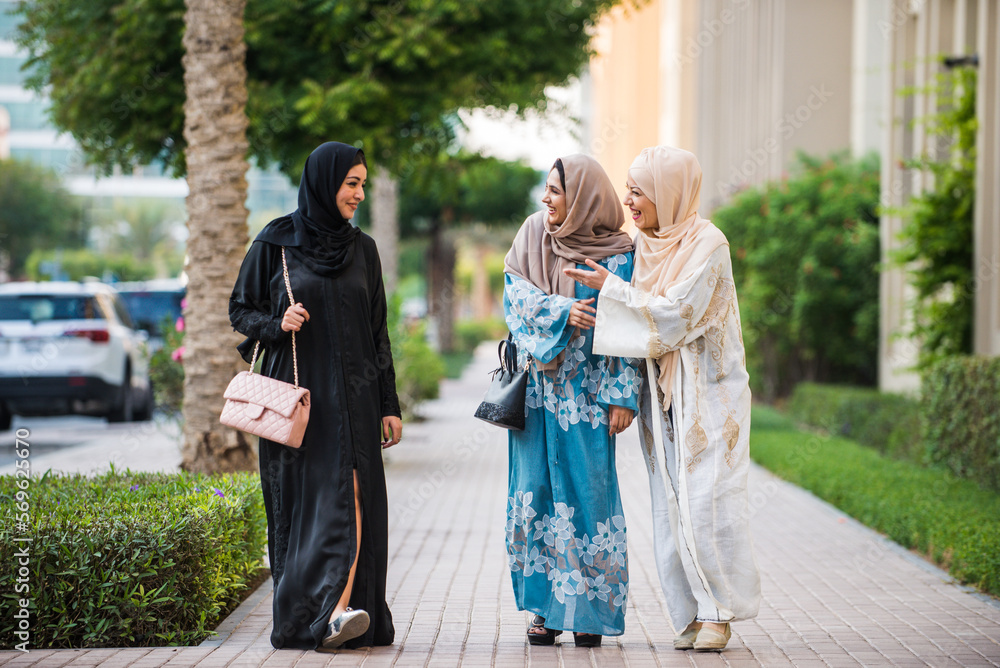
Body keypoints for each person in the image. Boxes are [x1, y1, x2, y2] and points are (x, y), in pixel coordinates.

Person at [565, 146, 761, 652]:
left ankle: (721, 611)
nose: (629, 199)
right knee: (669, 501)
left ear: (669, 192)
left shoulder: (708, 244)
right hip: (663, 394)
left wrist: (613, 288)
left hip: (709, 394)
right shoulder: (646, 246)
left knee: (707, 499)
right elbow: (639, 327)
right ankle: (691, 612)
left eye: (639, 190)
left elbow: (676, 317)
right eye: (628, 189)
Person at [229, 141, 403, 651]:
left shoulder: (363, 249)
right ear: (325, 183)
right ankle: (316, 614)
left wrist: (389, 404)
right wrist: (277, 323)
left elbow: (378, 332)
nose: (359, 193)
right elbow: (241, 310)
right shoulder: (275, 242)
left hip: (356, 398)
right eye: (352, 183)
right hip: (300, 402)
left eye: (363, 183)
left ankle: (339, 610)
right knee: (307, 505)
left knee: (352, 494)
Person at [502, 154, 640, 648]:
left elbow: (630, 324)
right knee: (535, 492)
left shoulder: (620, 253)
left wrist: (624, 394)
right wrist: (561, 311)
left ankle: (590, 614)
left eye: (556, 191)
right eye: (546, 189)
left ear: (583, 196)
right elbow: (513, 295)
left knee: (590, 497)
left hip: (591, 395)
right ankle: (543, 611)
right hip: (538, 391)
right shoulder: (534, 235)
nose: (546, 200)